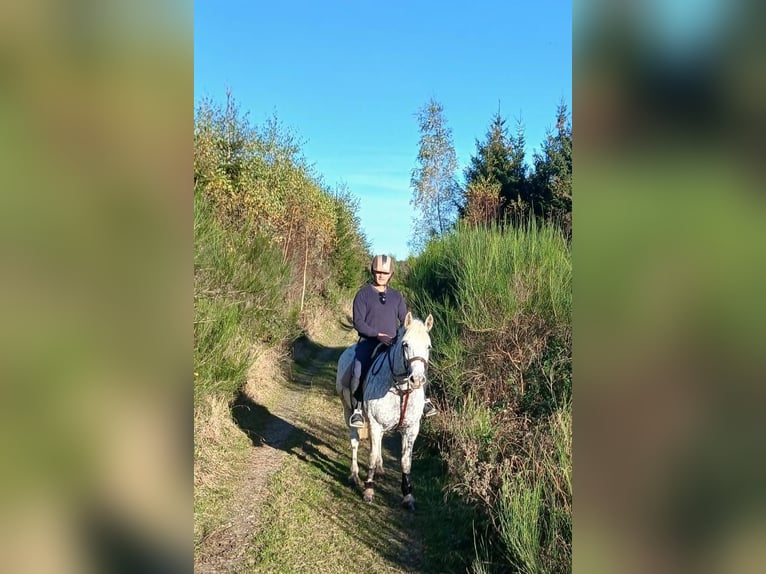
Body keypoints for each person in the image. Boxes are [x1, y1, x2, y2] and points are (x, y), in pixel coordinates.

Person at [348, 254, 437, 428]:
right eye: (378, 272)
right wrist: (377, 334)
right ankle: (358, 409)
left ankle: (425, 400)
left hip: (393, 343)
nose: (381, 275)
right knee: (358, 370)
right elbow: (358, 322)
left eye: (385, 272)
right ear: (373, 272)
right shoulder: (363, 294)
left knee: (417, 365)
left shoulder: (396, 296)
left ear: (391, 274)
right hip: (369, 342)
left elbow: (405, 320)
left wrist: (413, 331)